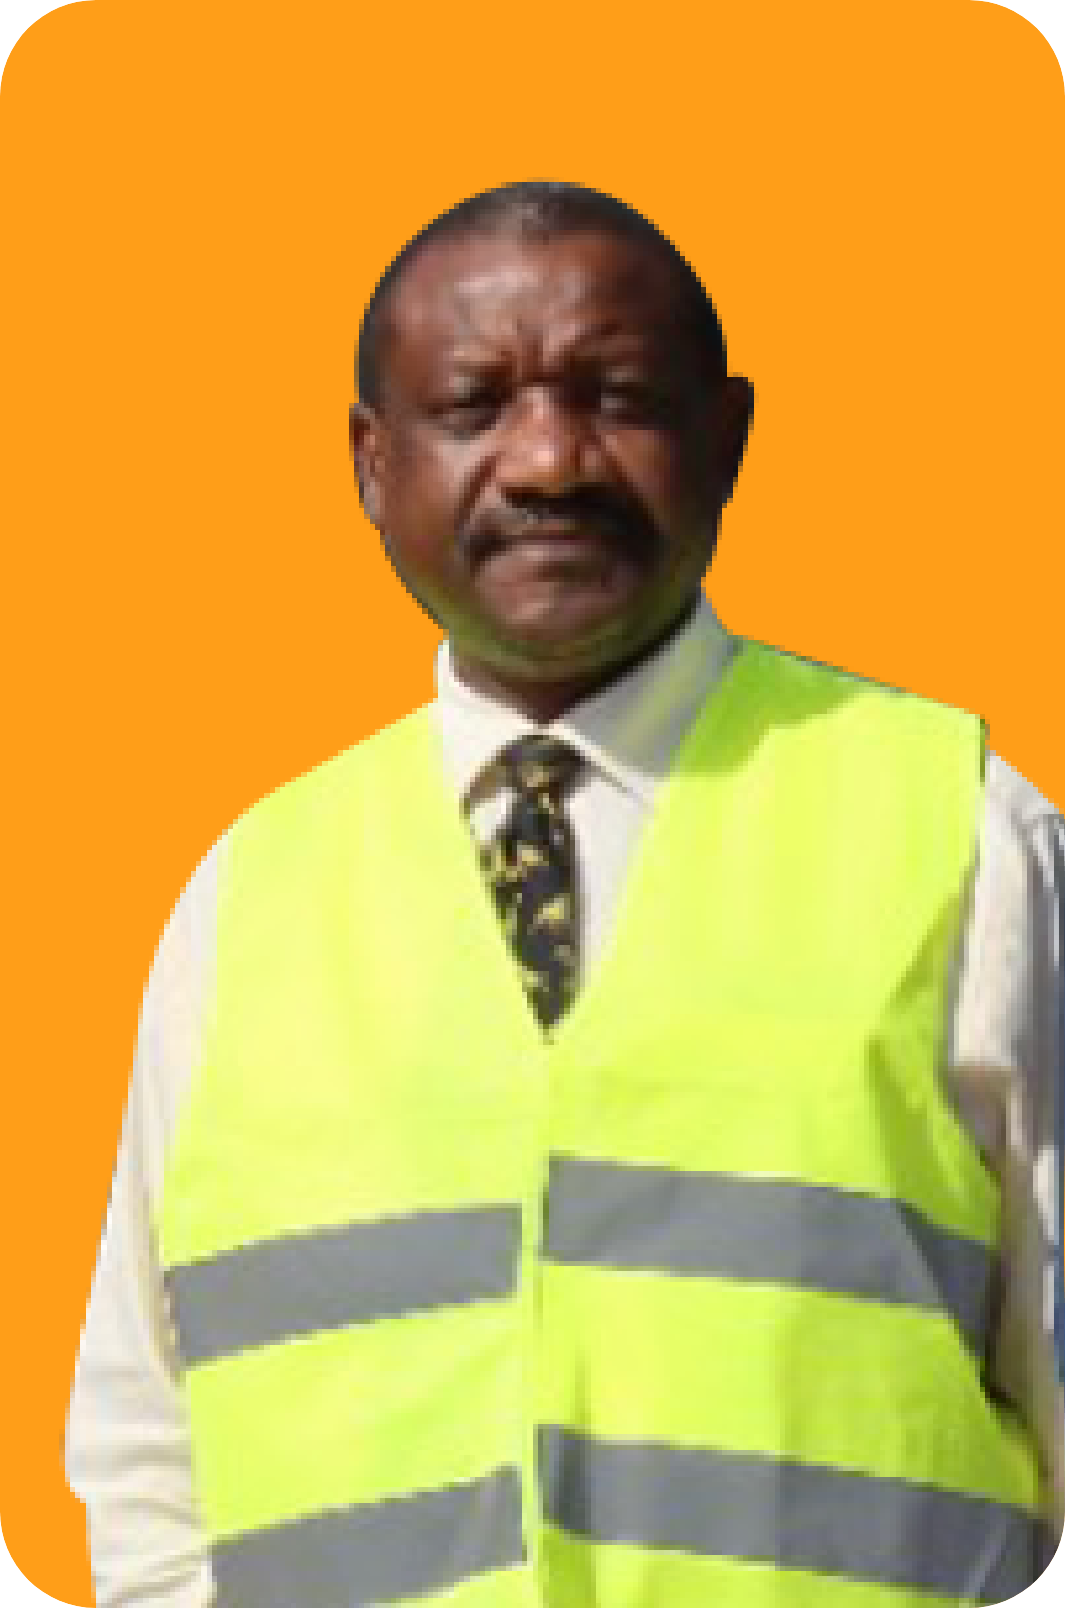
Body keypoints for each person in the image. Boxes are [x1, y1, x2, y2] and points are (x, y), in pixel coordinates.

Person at [67, 181, 1064, 1606]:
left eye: (621, 398)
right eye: (473, 406)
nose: (547, 460)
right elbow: (148, 1459)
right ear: (370, 463)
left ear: (729, 439)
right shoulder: (243, 903)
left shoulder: (967, 837)